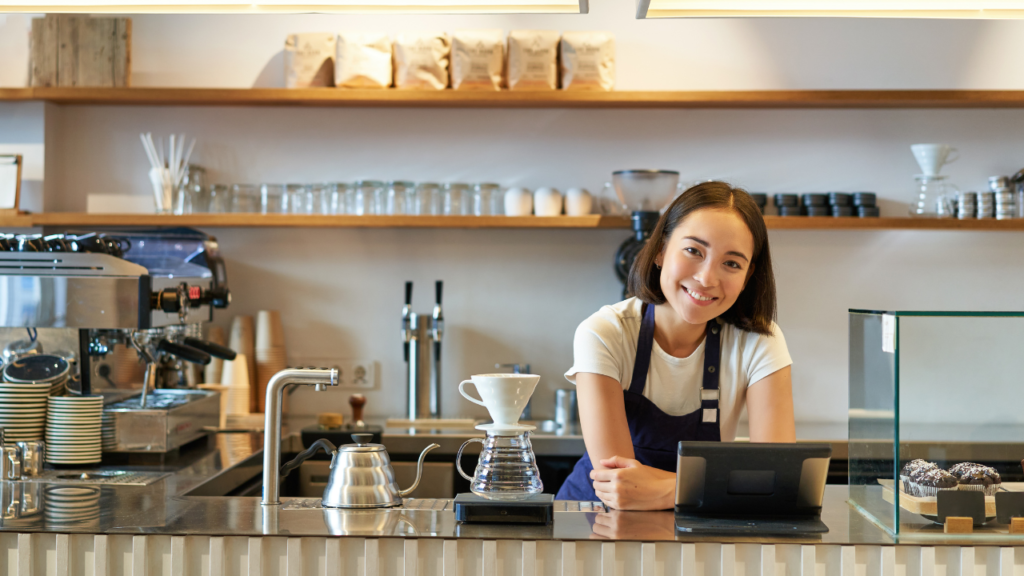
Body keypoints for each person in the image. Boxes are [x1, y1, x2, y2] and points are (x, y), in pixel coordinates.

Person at [556, 181, 796, 510]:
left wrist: (671, 488)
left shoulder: (759, 341)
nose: (707, 278)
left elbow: (778, 479)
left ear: (748, 276)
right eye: (694, 251)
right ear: (660, 249)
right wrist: (725, 486)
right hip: (592, 526)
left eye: (732, 263)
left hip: (698, 530)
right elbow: (620, 486)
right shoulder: (604, 332)